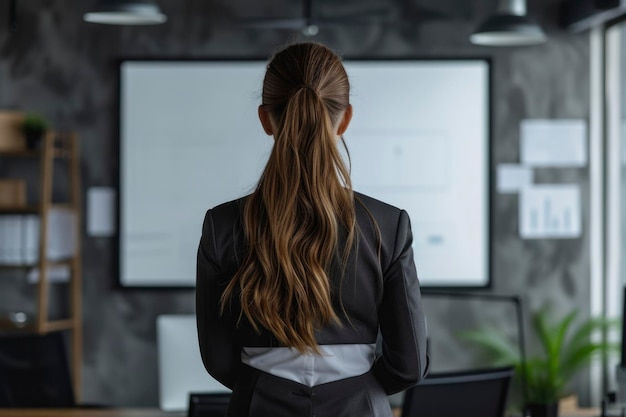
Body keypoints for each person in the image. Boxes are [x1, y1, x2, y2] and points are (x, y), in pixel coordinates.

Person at [196, 41, 429, 417]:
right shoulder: (389, 225)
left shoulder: (220, 225)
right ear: (346, 118)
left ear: (266, 119)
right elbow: (409, 364)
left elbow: (219, 360)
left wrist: (267, 384)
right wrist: (356, 390)